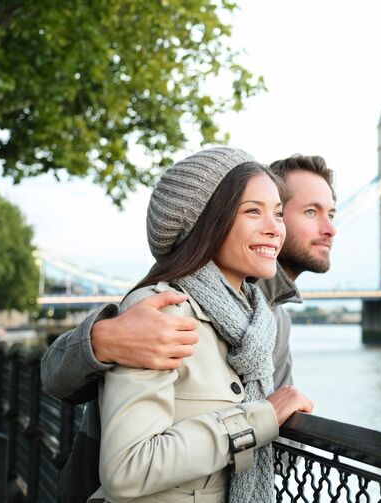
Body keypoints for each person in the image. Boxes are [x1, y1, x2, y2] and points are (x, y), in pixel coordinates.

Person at [41, 153, 338, 502]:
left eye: (277, 212)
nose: (329, 228)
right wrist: (101, 339)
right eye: (310, 212)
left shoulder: (268, 319)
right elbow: (59, 381)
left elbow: (277, 441)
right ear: (209, 219)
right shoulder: (166, 306)